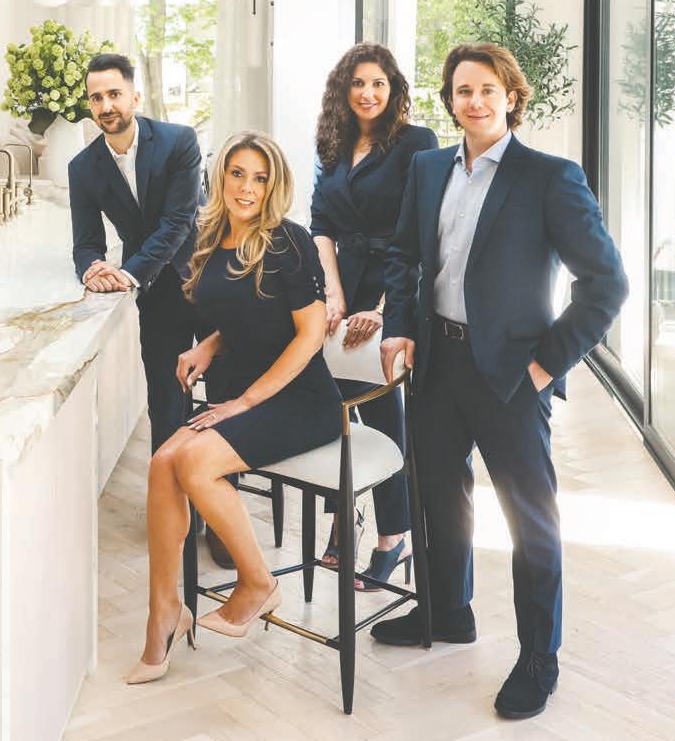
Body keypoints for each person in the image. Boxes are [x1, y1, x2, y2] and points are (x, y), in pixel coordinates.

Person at [375, 44, 627, 720]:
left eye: (488, 89)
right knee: (438, 494)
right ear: (449, 100)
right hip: (437, 363)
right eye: (463, 90)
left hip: (513, 375)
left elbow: (606, 283)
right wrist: (399, 327)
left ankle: (539, 655)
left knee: (529, 520)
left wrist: (546, 365)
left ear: (512, 97)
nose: (475, 101)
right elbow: (403, 257)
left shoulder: (550, 178)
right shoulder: (429, 168)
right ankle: (447, 611)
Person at [125, 132, 341, 685]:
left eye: (260, 178)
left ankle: (257, 582)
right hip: (247, 395)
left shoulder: (288, 242)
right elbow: (250, 315)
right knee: (162, 463)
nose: (247, 188)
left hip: (300, 401)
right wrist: (208, 345)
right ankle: (164, 613)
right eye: (237, 174)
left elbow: (309, 333)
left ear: (275, 185)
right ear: (220, 176)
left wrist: (243, 401)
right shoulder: (212, 237)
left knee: (193, 464)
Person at [309, 43, 438, 589]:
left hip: (395, 287)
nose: (368, 93)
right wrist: (334, 295)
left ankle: (393, 536)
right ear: (344, 89)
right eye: (358, 83)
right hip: (344, 287)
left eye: (378, 83)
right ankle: (348, 516)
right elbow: (321, 225)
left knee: (384, 412)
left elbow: (420, 231)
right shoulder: (332, 144)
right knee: (332, 405)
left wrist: (385, 309)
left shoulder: (416, 143)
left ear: (394, 89)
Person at [69, 53, 202, 454]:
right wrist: (93, 269)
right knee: (165, 399)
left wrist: (127, 274)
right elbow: (85, 242)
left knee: (226, 392)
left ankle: (216, 487)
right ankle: (167, 489)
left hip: (207, 275)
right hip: (157, 291)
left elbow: (178, 223)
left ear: (135, 97)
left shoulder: (179, 141)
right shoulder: (82, 167)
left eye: (114, 94)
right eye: (97, 98)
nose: (106, 105)